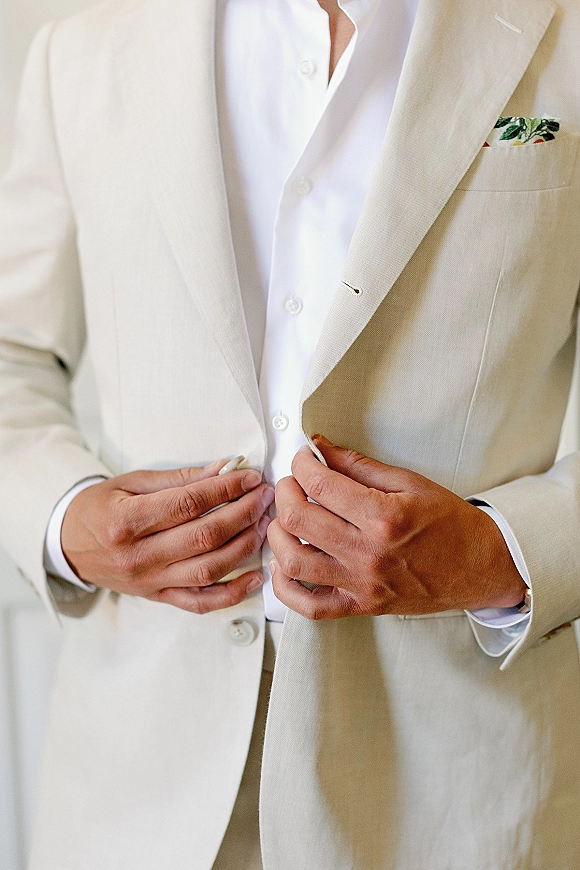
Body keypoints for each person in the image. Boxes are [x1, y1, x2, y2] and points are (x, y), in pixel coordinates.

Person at [1, 0, 580, 866]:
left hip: (465, 803)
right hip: (134, 799)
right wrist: (64, 520)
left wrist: (499, 554)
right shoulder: (85, 50)